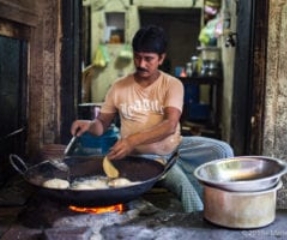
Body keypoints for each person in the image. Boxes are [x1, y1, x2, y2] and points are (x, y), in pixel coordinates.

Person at [71, 25, 234, 212]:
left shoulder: (172, 84)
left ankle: (221, 208)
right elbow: (101, 125)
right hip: (142, 156)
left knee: (222, 150)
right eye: (137, 57)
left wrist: (131, 140)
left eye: (148, 59)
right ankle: (197, 221)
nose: (141, 64)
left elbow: (170, 125)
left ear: (161, 58)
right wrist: (88, 125)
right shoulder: (119, 87)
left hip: (176, 147)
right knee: (182, 182)